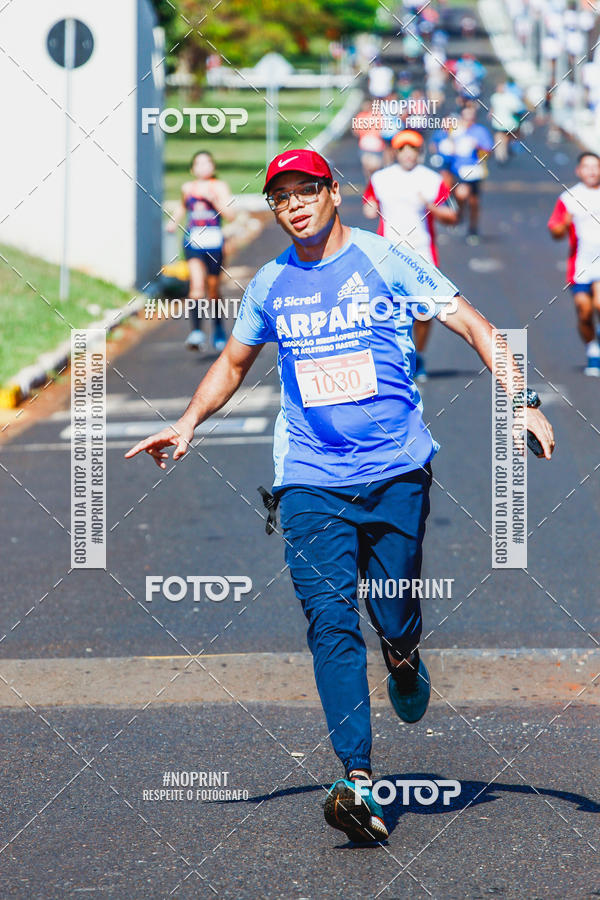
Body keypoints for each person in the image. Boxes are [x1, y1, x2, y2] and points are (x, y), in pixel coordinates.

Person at [125, 149, 555, 844]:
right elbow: (235, 362)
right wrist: (186, 422)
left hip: (394, 472)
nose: (293, 205)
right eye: (280, 197)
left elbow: (473, 323)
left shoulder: (388, 260)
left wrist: (523, 401)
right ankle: (357, 778)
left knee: (391, 610)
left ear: (334, 193)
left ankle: (405, 654)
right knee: (329, 621)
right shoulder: (270, 282)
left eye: (305, 191)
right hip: (308, 479)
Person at [362, 130, 458, 381]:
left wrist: (431, 207)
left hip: (422, 252)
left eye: (412, 149)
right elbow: (369, 205)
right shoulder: (380, 178)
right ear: (395, 152)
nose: (407, 154)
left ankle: (419, 354)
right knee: (386, 310)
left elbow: (452, 216)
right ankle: (394, 360)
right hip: (387, 253)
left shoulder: (431, 179)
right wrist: (370, 209)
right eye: (402, 149)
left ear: (419, 152)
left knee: (424, 312)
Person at [168, 150, 234, 352]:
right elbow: (181, 208)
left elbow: (230, 214)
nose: (203, 167)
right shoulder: (187, 188)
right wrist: (172, 223)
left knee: (213, 289)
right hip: (193, 241)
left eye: (207, 163)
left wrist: (213, 200)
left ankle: (219, 330)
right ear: (192, 168)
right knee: (196, 286)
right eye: (199, 164)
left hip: (214, 242)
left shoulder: (219, 187)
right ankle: (196, 332)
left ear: (213, 167)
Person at [548, 151, 600, 375]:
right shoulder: (569, 198)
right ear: (578, 171)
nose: (592, 171)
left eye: (596, 166)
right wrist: (564, 224)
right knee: (584, 311)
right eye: (587, 167)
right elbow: (556, 232)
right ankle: (592, 348)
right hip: (581, 265)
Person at [433, 103, 493, 244]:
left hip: (475, 171)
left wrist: (477, 146)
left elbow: (489, 150)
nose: (468, 120)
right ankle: (458, 215)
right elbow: (441, 142)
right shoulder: (455, 130)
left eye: (471, 117)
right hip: (458, 170)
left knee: (474, 202)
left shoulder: (480, 131)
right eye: (466, 117)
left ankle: (473, 228)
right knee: (461, 193)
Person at [489, 82, 524, 163]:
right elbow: (518, 109)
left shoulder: (495, 97)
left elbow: (492, 109)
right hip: (510, 123)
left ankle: (501, 155)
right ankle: (502, 155)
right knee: (503, 138)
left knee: (500, 139)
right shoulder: (511, 98)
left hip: (500, 123)